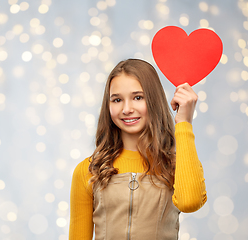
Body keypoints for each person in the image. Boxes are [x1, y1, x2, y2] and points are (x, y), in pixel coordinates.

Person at [69, 59, 207, 240]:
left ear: (154, 100)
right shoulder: (89, 170)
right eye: (117, 100)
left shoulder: (175, 164)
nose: (127, 109)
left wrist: (184, 123)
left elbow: (190, 202)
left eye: (138, 97)